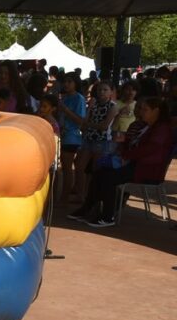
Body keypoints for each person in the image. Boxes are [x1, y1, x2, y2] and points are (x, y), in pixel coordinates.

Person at [68, 96, 173, 227]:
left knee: (109, 177)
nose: (141, 112)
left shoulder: (162, 129)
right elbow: (132, 144)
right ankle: (88, 208)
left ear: (156, 111)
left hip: (147, 169)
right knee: (99, 172)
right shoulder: (146, 126)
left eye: (145, 110)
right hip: (135, 164)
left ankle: (108, 216)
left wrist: (125, 156)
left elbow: (148, 150)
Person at [74, 81, 118, 186]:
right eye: (100, 90)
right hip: (89, 138)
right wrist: (89, 108)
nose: (102, 92)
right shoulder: (94, 104)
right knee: (79, 166)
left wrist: (89, 125)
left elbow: (104, 126)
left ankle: (92, 192)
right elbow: (84, 121)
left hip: (102, 140)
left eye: (105, 90)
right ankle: (81, 192)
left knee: (96, 169)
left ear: (111, 92)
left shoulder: (112, 106)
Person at [57, 73, 87, 202]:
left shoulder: (79, 98)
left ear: (76, 83)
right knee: (67, 167)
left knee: (67, 168)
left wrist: (65, 109)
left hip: (72, 136)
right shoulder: (65, 97)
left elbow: (80, 120)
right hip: (64, 134)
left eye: (69, 81)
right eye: (65, 81)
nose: (66, 84)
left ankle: (64, 197)